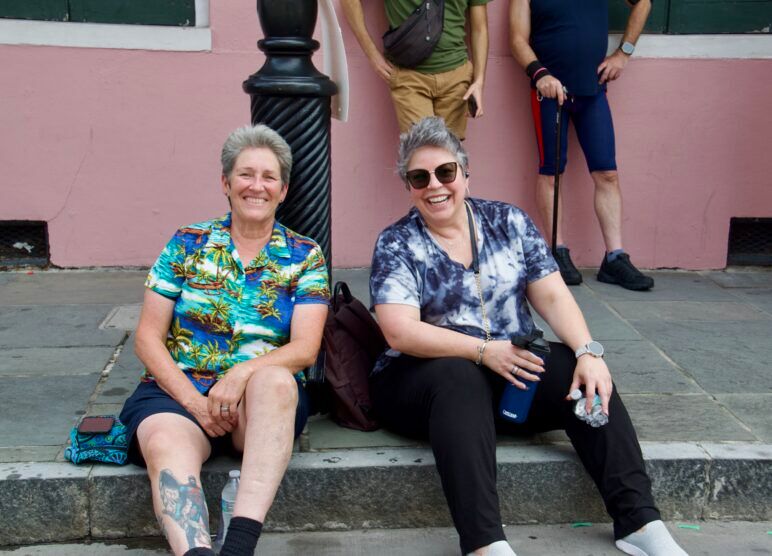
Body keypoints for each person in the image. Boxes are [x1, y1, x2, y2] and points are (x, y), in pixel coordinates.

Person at [369, 117, 687, 555]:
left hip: (505, 371)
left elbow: (553, 297)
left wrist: (588, 352)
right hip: (422, 382)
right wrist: (482, 351)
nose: (434, 186)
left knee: (577, 372)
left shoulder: (508, 222)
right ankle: (485, 544)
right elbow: (399, 332)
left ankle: (639, 522)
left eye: (445, 172)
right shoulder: (397, 243)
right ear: (408, 185)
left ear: (465, 172)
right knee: (457, 379)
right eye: (419, 177)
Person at [119, 124, 330, 556]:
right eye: (246, 174)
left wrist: (239, 375)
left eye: (269, 177)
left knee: (275, 381)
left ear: (284, 190)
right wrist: (196, 403)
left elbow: (305, 349)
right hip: (178, 392)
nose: (257, 186)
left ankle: (238, 546)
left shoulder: (304, 254)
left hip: (258, 404)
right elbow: (147, 338)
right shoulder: (188, 242)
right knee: (163, 443)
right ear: (226, 183)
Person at [509, 0, 655, 290]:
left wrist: (623, 52)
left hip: (593, 91)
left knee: (607, 173)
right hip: (550, 93)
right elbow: (516, 39)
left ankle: (614, 258)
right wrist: (540, 74)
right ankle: (557, 251)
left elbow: (643, 3)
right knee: (552, 173)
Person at [341, 0, 490, 140]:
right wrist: (372, 55)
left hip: (457, 76)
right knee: (421, 154)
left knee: (451, 158)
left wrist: (479, 81)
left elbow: (480, 28)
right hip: (410, 78)